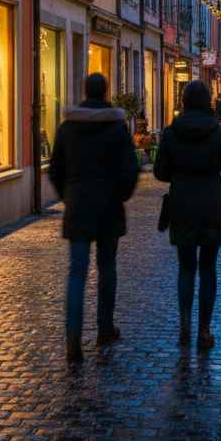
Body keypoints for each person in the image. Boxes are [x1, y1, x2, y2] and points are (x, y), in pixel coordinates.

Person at [49, 72, 141, 363]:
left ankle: (73, 337)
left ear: (84, 91)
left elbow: (55, 170)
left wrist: (69, 196)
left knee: (77, 272)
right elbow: (130, 170)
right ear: (105, 93)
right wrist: (119, 196)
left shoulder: (67, 128)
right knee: (107, 268)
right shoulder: (116, 128)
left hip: (78, 207)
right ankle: (104, 327)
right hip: (108, 207)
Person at [154, 81, 221, 349]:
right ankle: (204, 331)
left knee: (186, 267)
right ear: (209, 101)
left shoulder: (171, 132)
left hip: (182, 203)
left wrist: (181, 171)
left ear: (183, 101)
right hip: (212, 204)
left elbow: (160, 172)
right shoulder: (220, 133)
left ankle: (184, 328)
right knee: (208, 270)